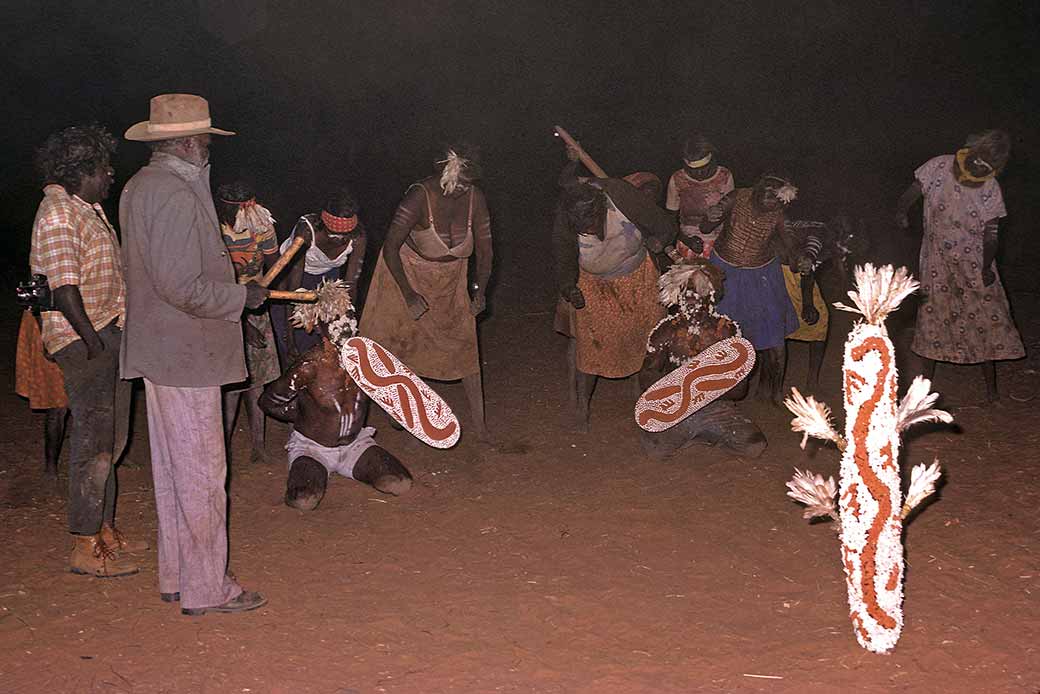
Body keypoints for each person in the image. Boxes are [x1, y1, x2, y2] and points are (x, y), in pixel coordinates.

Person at [120, 93, 268, 615]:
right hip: (187, 352)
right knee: (204, 474)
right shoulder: (176, 195)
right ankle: (208, 588)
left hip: (160, 351)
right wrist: (240, 297)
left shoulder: (141, 187)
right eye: (205, 140)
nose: (209, 149)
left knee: (173, 470)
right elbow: (182, 286)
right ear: (187, 142)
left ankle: (178, 575)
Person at [29, 124, 142, 578]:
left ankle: (105, 531)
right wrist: (93, 342)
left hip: (102, 332)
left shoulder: (86, 209)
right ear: (80, 170)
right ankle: (84, 543)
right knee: (93, 444)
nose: (110, 175)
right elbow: (63, 288)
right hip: (84, 338)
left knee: (110, 441)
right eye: (102, 168)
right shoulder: (58, 213)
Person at [359, 146, 492, 439]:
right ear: (446, 173)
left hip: (451, 279)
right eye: (461, 182)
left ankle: (480, 426)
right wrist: (408, 295)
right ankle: (394, 408)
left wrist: (479, 291)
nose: (465, 190)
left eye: (470, 184)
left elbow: (485, 251)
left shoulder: (475, 198)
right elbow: (391, 246)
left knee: (464, 344)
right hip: (404, 272)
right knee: (395, 343)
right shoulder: (419, 196)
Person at [260, 280, 413, 511]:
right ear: (320, 327)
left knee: (400, 484)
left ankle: (345, 468)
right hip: (313, 448)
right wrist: (299, 415)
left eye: (348, 315)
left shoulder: (366, 358)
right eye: (336, 318)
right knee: (304, 500)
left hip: (355, 445)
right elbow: (268, 401)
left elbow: (392, 395)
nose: (346, 323)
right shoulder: (309, 366)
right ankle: (312, 470)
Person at [553, 148, 677, 430]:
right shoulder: (566, 214)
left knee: (648, 339)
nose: (586, 228)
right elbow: (562, 255)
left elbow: (664, 225)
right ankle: (581, 409)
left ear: (600, 205)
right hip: (594, 284)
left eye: (590, 219)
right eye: (579, 224)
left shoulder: (620, 195)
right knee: (590, 348)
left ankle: (647, 401)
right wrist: (568, 286)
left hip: (638, 278)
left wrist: (659, 240)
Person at [895, 130, 1023, 401]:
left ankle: (988, 393)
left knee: (979, 318)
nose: (978, 167)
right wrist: (901, 210)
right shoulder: (939, 165)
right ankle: (926, 392)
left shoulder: (987, 185)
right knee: (939, 318)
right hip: (940, 261)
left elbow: (992, 233)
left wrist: (986, 267)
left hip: (966, 263)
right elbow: (912, 193)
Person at [640, 259, 766, 458]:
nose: (691, 296)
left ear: (711, 295)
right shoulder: (665, 331)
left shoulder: (727, 332)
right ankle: (699, 434)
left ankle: (706, 432)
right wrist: (675, 397)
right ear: (677, 294)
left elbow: (739, 390)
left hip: (718, 408)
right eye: (685, 290)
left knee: (754, 446)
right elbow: (647, 376)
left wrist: (704, 391)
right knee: (655, 449)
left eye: (697, 290)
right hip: (677, 410)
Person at [709, 173, 804, 403]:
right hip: (724, 270)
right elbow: (706, 224)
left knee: (772, 331)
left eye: (776, 199)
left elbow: (791, 243)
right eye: (767, 195)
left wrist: (799, 258)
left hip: (761, 274)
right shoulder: (736, 197)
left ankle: (772, 389)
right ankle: (717, 387)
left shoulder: (779, 215)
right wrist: (712, 216)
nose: (770, 202)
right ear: (756, 190)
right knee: (719, 329)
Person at [216, 181, 281, 464]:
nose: (248, 212)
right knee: (231, 384)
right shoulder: (212, 231)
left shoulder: (260, 224)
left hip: (255, 305)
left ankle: (258, 445)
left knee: (257, 380)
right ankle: (224, 449)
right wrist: (241, 323)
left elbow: (275, 264)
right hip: (221, 309)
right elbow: (213, 284)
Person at [271, 188, 367, 363]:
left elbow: (351, 285)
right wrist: (290, 340)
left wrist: (349, 324)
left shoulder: (358, 236)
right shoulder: (306, 231)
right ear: (324, 226)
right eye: (334, 235)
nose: (340, 240)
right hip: (289, 278)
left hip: (327, 279)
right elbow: (293, 291)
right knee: (294, 348)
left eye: (345, 237)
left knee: (325, 341)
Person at [14, 301, 68, 479]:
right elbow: (39, 299)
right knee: (58, 404)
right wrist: (46, 337)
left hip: (74, 323)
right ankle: (51, 465)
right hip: (50, 322)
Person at [665, 135, 734, 260]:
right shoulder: (678, 179)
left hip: (719, 242)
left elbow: (732, 216)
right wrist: (686, 239)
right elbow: (670, 219)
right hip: (687, 240)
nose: (699, 174)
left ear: (712, 161)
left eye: (704, 169)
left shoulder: (724, 176)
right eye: (692, 170)